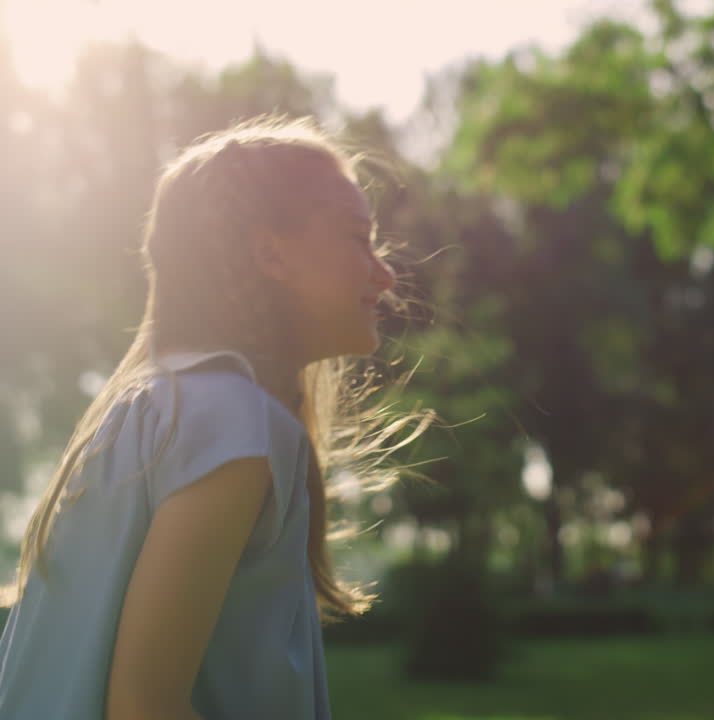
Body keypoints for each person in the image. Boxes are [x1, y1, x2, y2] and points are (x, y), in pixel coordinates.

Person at [0, 115, 429, 719]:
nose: (385, 274)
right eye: (359, 237)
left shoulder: (156, 411)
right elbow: (144, 706)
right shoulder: (234, 424)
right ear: (270, 253)